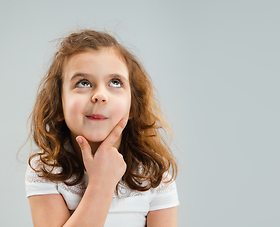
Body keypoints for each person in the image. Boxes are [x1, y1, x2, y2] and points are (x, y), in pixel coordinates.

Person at [25, 29, 179, 227]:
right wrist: (101, 184)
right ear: (58, 105)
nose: (100, 95)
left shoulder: (155, 176)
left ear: (133, 106)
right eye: (84, 82)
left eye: (115, 82)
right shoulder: (45, 170)